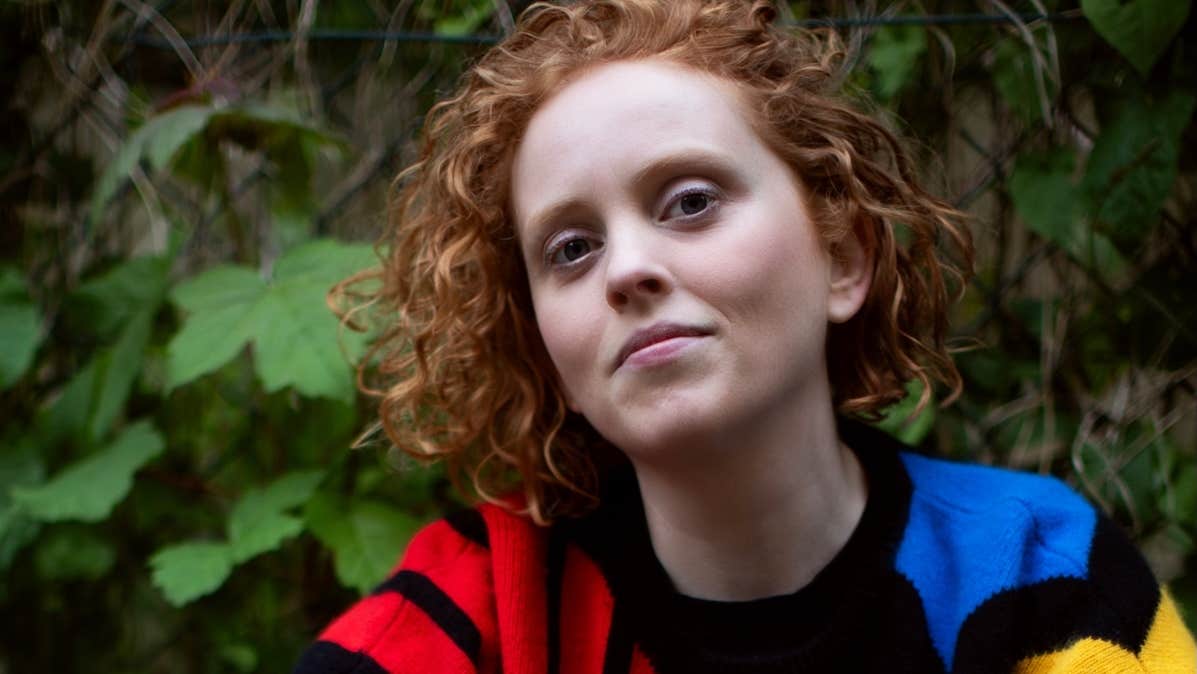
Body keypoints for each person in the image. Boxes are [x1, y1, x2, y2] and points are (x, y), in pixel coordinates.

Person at [294, 1, 1197, 672]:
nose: (625, 270)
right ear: (542, 348)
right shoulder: (485, 602)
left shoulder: (1034, 571)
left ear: (842, 258)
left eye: (689, 201)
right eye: (570, 249)